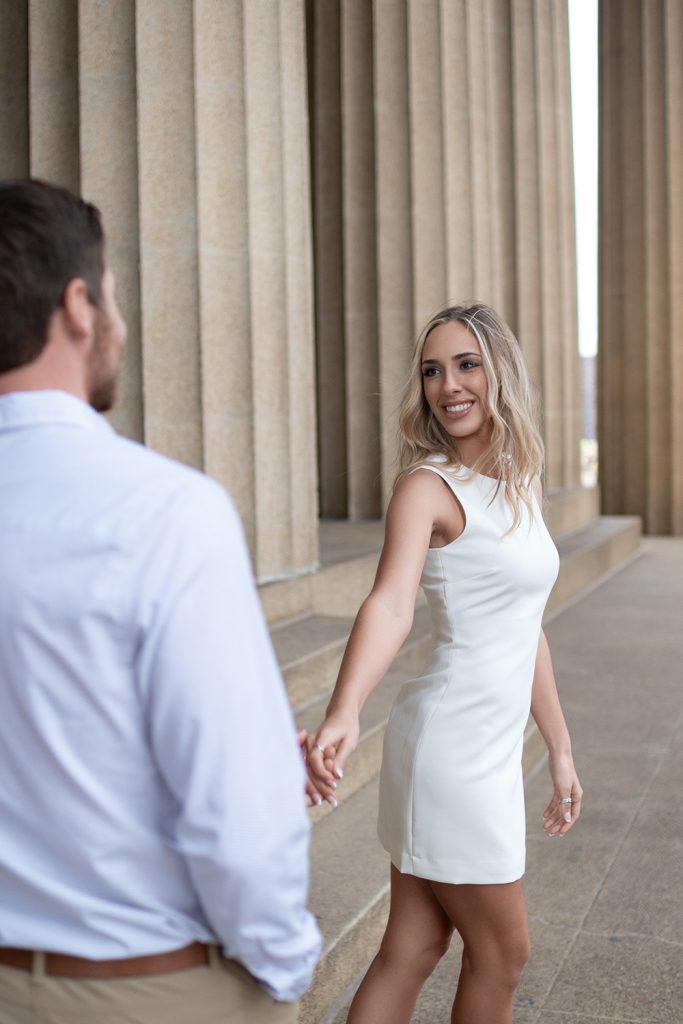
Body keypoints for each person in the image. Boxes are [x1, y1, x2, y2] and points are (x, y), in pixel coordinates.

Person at [0, 179, 321, 1024]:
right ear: (78, 307)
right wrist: (287, 964)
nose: (120, 319)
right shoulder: (166, 512)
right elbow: (239, 825)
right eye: (112, 295)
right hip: (131, 988)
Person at [306, 303, 583, 1024]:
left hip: (488, 744)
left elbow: (525, 627)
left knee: (413, 946)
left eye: (466, 365)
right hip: (450, 750)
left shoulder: (520, 481)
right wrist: (344, 710)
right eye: (432, 371)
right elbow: (390, 605)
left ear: (500, 373)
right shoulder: (428, 487)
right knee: (503, 953)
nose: (447, 385)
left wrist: (557, 748)